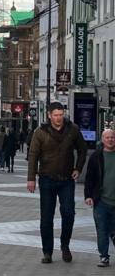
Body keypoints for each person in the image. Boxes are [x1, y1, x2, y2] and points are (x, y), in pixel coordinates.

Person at [27, 101, 87, 264]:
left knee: (68, 213)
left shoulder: (72, 129)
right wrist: (31, 178)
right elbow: (33, 155)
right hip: (46, 178)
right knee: (46, 217)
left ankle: (65, 245)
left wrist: (78, 168)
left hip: (67, 179)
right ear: (49, 115)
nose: (59, 118)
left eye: (61, 115)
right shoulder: (40, 132)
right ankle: (47, 252)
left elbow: (83, 149)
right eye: (56, 115)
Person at [84, 128, 115, 267]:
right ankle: (104, 256)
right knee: (102, 229)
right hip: (101, 199)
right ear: (102, 139)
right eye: (107, 137)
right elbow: (89, 178)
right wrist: (88, 195)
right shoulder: (96, 156)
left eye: (112, 137)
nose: (110, 140)